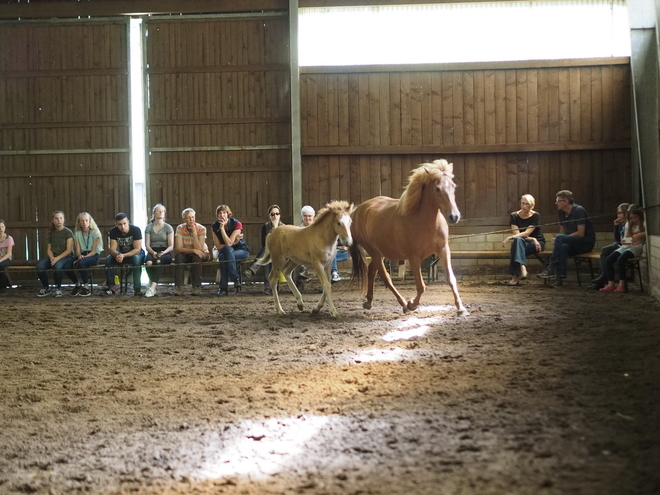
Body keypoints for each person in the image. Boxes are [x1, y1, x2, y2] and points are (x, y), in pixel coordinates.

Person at [537, 190, 595, 286]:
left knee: (560, 239)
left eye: (558, 200)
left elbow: (581, 233)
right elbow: (562, 230)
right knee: (563, 247)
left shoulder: (579, 210)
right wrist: (559, 240)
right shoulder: (561, 212)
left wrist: (562, 238)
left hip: (585, 242)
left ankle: (551, 267)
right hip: (572, 242)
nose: (556, 203)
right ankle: (560, 278)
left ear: (566, 202)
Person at [501, 194, 545, 286]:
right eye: (522, 203)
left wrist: (510, 237)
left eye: (527, 204)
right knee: (517, 242)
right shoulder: (514, 216)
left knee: (516, 245)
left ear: (532, 205)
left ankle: (515, 277)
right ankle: (522, 266)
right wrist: (532, 238)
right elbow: (517, 235)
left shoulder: (535, 215)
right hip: (525, 242)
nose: (524, 206)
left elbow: (526, 233)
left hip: (536, 243)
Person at [600, 205, 646, 293]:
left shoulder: (644, 223)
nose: (633, 220)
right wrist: (626, 240)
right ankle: (611, 284)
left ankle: (622, 285)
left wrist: (641, 234)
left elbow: (647, 232)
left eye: (635, 217)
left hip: (636, 247)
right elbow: (624, 239)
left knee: (621, 260)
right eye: (631, 218)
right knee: (608, 259)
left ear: (640, 216)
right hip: (626, 246)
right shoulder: (628, 224)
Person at [586, 203, 630, 290]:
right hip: (619, 243)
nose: (618, 215)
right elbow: (617, 238)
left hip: (625, 245)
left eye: (620, 213)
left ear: (626, 213)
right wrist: (616, 227)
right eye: (618, 213)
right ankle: (602, 278)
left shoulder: (628, 224)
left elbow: (625, 239)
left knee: (605, 251)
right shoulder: (621, 223)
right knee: (604, 251)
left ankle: (602, 278)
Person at [244, 204, 284, 295]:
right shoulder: (265, 226)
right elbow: (264, 243)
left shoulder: (284, 227)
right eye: (272, 214)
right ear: (269, 216)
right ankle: (268, 288)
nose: (275, 216)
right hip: (268, 250)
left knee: (268, 255)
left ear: (280, 215)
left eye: (277, 214)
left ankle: (253, 269)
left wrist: (275, 228)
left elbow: (282, 244)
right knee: (267, 256)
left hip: (282, 252)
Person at [102, 213, 145, 296]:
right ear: (116, 224)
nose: (123, 227)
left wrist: (123, 255)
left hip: (136, 254)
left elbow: (137, 249)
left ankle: (137, 288)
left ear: (128, 222)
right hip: (122, 254)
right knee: (108, 259)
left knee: (136, 259)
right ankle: (111, 288)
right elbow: (112, 249)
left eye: (124, 223)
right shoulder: (113, 231)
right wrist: (116, 255)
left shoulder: (136, 230)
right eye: (120, 224)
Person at [212, 204, 249, 296]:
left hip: (241, 250)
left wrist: (222, 230)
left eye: (224, 212)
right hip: (224, 251)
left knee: (225, 256)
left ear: (228, 214)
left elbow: (228, 244)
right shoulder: (214, 226)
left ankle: (223, 288)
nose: (222, 215)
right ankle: (235, 278)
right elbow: (218, 246)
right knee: (226, 253)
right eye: (220, 213)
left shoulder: (237, 223)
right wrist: (232, 242)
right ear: (217, 215)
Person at [36, 211, 75, 297]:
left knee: (57, 267)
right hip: (53, 257)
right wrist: (52, 257)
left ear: (64, 220)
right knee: (40, 267)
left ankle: (58, 288)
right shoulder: (51, 233)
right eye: (56, 218)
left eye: (61, 218)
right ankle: (46, 288)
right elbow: (49, 249)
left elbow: (68, 250)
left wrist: (57, 259)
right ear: (53, 220)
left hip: (66, 256)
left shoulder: (68, 232)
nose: (59, 220)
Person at [174, 208, 210, 296]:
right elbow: (178, 248)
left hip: (202, 253)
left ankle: (196, 287)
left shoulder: (201, 229)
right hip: (187, 253)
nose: (191, 219)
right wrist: (193, 250)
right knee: (178, 256)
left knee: (196, 257)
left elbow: (199, 249)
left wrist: (194, 232)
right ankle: (179, 287)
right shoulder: (180, 228)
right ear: (184, 219)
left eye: (193, 217)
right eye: (189, 217)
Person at [67, 212, 104, 297]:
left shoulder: (95, 233)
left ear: (90, 221)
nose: (84, 222)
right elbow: (77, 250)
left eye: (86, 220)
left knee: (81, 262)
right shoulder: (77, 234)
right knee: (66, 265)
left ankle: (86, 287)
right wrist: (79, 255)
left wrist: (83, 258)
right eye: (82, 221)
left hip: (92, 256)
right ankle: (77, 284)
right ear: (79, 222)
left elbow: (94, 251)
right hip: (82, 255)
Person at [144, 204, 174, 298]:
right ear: (154, 213)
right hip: (152, 250)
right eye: (158, 210)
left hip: (165, 252)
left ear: (164, 214)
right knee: (148, 262)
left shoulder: (168, 228)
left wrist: (163, 253)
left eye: (162, 211)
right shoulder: (148, 227)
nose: (161, 212)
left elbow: (171, 246)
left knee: (158, 261)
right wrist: (153, 253)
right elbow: (147, 245)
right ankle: (153, 283)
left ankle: (152, 288)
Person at [294, 205, 315, 290]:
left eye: (310, 216)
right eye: (305, 216)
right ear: (302, 217)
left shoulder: (317, 229)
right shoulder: (298, 229)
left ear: (313, 217)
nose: (307, 218)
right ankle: (299, 284)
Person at [0, 219, 15, 294]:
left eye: (2, 227)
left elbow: (8, 254)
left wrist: (0, 260)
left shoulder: (9, 238)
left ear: (5, 227)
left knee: (1, 266)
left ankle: (2, 287)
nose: (1, 229)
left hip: (6, 258)